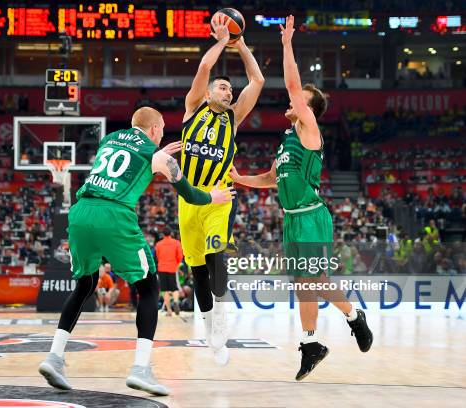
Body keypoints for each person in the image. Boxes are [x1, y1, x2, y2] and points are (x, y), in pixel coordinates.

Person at [38, 107, 234, 396]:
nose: (164, 132)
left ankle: (54, 357)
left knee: (86, 284)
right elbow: (190, 194)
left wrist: (158, 157)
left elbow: (135, 156)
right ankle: (141, 369)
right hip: (114, 215)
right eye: (163, 127)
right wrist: (213, 196)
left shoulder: (111, 139)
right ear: (154, 129)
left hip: (81, 213)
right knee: (148, 288)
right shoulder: (160, 157)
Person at [229, 15, 373, 381]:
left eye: (299, 100)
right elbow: (270, 178)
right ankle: (313, 343)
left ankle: (351, 318)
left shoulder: (309, 129)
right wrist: (240, 178)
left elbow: (293, 83)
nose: (290, 102)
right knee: (304, 284)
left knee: (315, 281)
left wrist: (287, 43)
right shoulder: (286, 142)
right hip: (292, 217)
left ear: (308, 107)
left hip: (310, 215)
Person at [179, 14, 264, 365]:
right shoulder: (192, 108)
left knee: (217, 257)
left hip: (219, 197)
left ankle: (222, 316)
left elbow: (257, 80)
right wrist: (220, 40)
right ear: (209, 93)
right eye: (222, 87)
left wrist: (240, 44)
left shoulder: (233, 118)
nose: (228, 91)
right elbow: (203, 67)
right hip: (189, 199)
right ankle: (212, 325)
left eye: (230, 88)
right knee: (197, 270)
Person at [154, 227, 183, 316]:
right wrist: (176, 264)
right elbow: (180, 256)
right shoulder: (176, 243)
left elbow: (157, 256)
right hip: (172, 268)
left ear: (163, 234)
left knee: (164, 290)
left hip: (162, 268)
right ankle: (175, 301)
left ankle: (169, 311)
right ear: (171, 233)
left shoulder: (158, 244)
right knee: (174, 288)